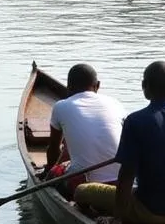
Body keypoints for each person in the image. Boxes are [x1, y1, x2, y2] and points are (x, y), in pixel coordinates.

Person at [73, 60, 165, 224]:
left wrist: (118, 217)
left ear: (144, 85)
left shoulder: (135, 121)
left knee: (82, 191)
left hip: (150, 212)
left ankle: (93, 216)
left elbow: (127, 174)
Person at [44, 63, 124, 197]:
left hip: (86, 186)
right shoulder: (115, 103)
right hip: (124, 181)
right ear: (97, 85)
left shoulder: (60, 106)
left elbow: (53, 148)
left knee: (55, 172)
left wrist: (48, 173)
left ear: (68, 87)